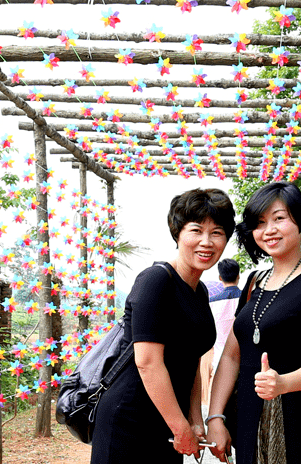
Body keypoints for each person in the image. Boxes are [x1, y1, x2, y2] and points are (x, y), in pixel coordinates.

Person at [90, 188, 235, 463]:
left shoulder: (200, 292)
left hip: (169, 422)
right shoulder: (155, 281)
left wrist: (194, 420)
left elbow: (192, 361)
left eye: (216, 233)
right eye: (196, 230)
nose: (206, 242)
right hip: (130, 420)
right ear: (177, 234)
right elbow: (147, 363)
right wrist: (181, 428)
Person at [206, 182, 301, 464]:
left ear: (300, 222)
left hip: (297, 421)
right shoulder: (254, 281)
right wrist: (215, 416)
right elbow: (232, 355)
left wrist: (282, 383)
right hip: (248, 417)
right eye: (260, 222)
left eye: (279, 218)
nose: (269, 230)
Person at [200, 259, 243, 406]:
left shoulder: (210, 303)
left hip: (218, 360)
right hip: (246, 360)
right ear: (239, 276)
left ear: (220, 278)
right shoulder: (249, 300)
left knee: (220, 406)